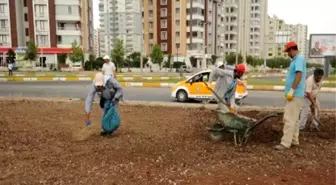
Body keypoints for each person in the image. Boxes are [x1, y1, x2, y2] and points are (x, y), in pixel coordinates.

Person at [275, 41, 306, 150]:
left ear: (292, 50)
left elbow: (299, 74)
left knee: (288, 119)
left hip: (295, 94)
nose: (287, 54)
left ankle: (285, 143)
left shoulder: (299, 59)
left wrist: (292, 90)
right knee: (295, 119)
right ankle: (294, 140)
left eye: (288, 51)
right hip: (294, 94)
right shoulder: (296, 59)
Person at [84, 72, 123, 136]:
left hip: (114, 98)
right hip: (105, 98)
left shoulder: (110, 81)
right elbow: (89, 99)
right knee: (106, 113)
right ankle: (105, 129)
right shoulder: (94, 85)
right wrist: (87, 115)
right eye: (98, 86)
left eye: (100, 86)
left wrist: (115, 98)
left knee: (112, 113)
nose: (99, 87)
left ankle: (111, 130)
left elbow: (120, 89)